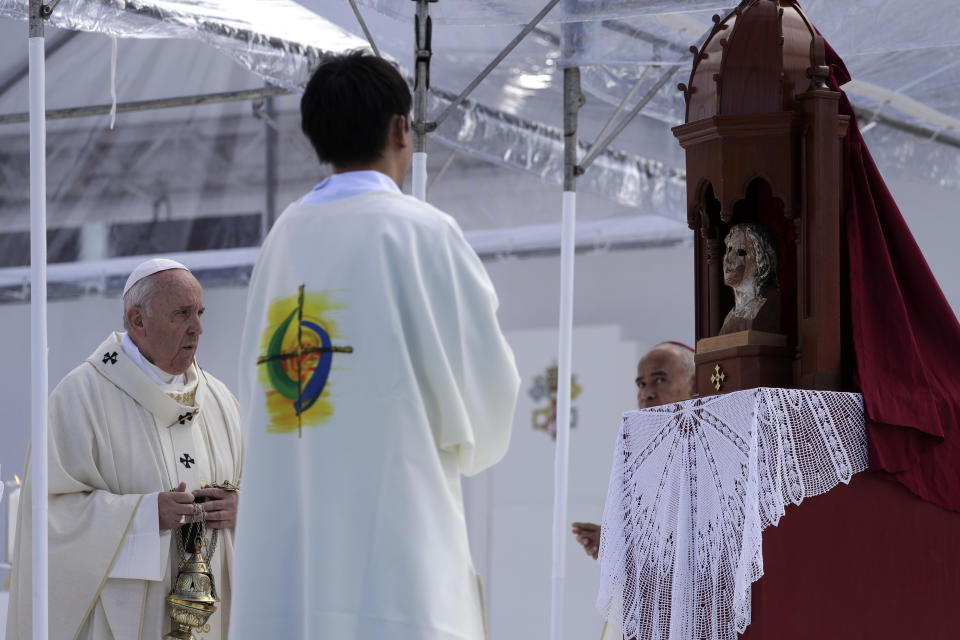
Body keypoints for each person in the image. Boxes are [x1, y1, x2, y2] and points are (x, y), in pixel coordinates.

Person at [230, 51, 520, 640]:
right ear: (399, 129)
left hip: (288, 566)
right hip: (395, 558)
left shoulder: (280, 240)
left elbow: (255, 385)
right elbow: (487, 395)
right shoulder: (422, 232)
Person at [5, 259, 243, 640]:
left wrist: (239, 508)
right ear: (138, 320)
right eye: (182, 314)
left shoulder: (220, 400)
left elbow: (259, 491)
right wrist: (145, 516)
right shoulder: (80, 397)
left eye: (199, 313)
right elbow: (46, 517)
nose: (198, 328)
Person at [571, 341, 695, 558]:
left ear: (694, 385)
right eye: (641, 384)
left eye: (660, 380)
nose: (646, 393)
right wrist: (614, 545)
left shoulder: (712, 452)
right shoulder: (640, 455)